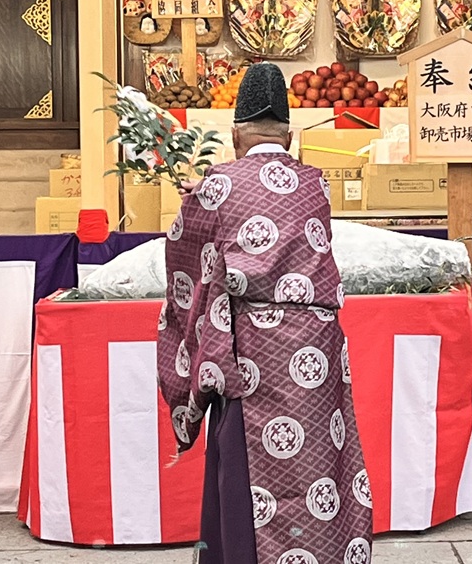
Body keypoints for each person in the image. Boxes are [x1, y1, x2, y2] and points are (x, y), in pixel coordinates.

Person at [158, 62, 373, 564]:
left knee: (249, 467)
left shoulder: (219, 182)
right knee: (320, 456)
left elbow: (186, 262)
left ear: (236, 136)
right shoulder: (315, 183)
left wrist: (198, 205)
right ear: (291, 137)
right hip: (316, 350)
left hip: (253, 349)